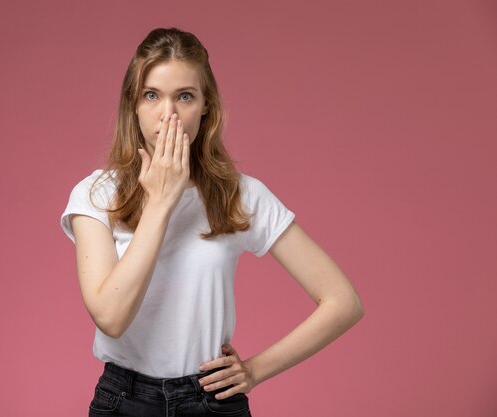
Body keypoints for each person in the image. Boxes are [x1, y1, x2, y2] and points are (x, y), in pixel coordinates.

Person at [60, 27, 364, 417]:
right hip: (124, 400)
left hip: (210, 401)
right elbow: (111, 318)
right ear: (132, 105)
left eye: (184, 96)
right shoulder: (96, 194)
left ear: (205, 106)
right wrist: (160, 202)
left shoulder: (240, 194)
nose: (167, 114)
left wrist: (254, 370)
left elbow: (343, 302)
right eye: (151, 95)